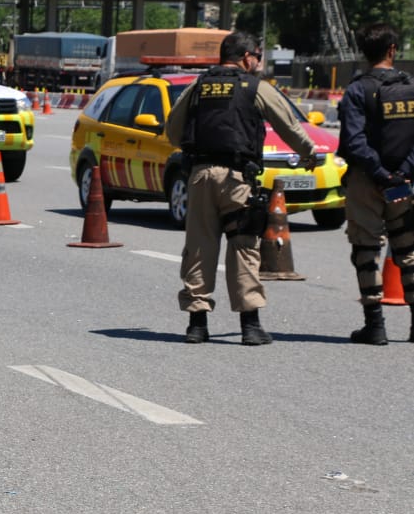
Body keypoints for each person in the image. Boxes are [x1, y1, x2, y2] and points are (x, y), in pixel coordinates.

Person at [166, 31, 318, 345]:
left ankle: (197, 325)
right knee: (244, 246)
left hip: (199, 175)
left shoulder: (198, 86)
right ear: (246, 56)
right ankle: (250, 326)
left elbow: (172, 131)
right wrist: (308, 152)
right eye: (258, 57)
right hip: (237, 178)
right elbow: (287, 124)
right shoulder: (254, 87)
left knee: (199, 247)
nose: (259, 62)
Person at [337, 22, 414, 345]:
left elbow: (354, 142)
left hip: (366, 182)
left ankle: (375, 325)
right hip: (405, 183)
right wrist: (402, 173)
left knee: (366, 251)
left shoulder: (357, 90)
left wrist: (380, 174)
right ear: (392, 50)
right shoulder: (410, 87)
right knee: (408, 252)